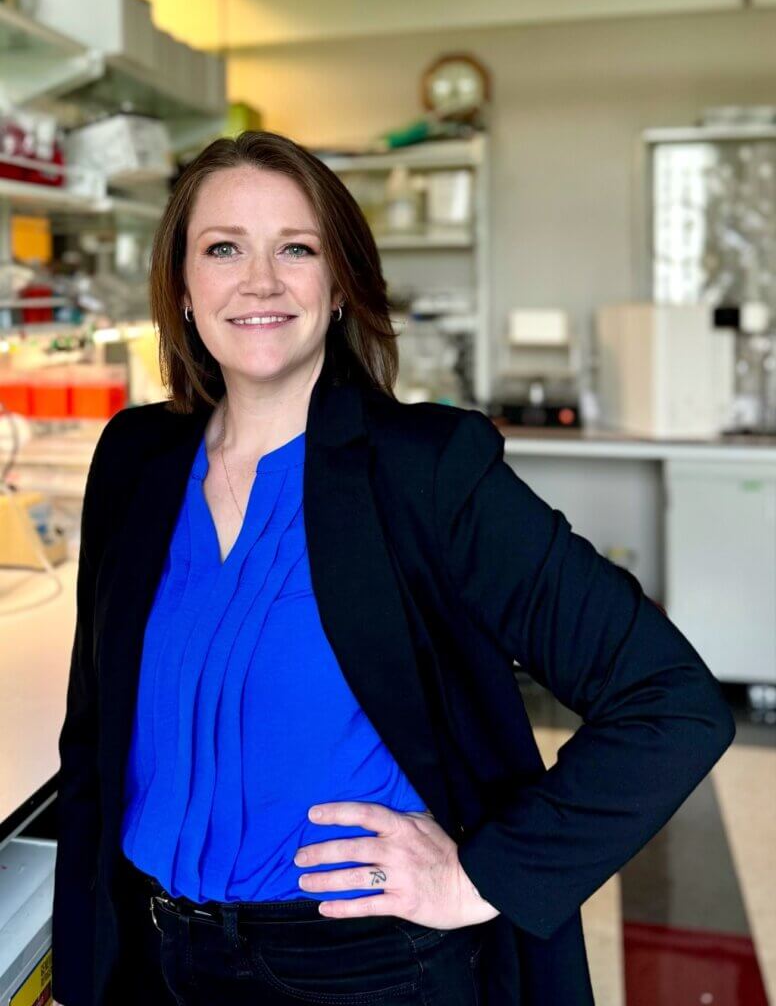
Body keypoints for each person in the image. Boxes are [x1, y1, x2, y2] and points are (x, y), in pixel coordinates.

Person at [51, 130, 735, 1006]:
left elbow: (670, 698)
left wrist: (479, 878)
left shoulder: (425, 470)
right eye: (223, 248)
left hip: (357, 970)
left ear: (339, 286)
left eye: (296, 249)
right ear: (181, 288)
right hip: (150, 960)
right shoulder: (135, 459)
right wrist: (81, 966)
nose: (259, 281)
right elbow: (92, 734)